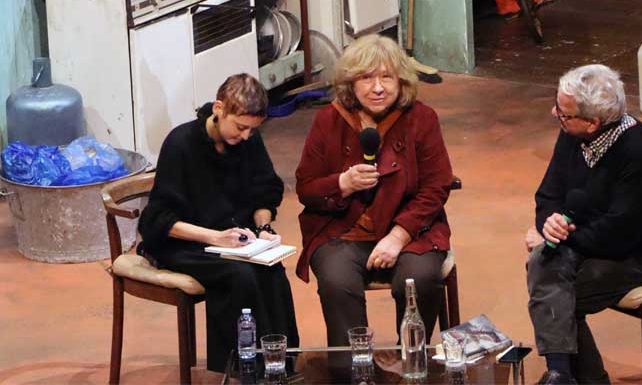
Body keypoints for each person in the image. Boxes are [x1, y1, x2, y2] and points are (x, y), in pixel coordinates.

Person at [525, 65, 642, 385]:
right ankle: (562, 375)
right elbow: (548, 194)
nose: (555, 113)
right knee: (542, 263)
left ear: (593, 123)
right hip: (591, 236)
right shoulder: (571, 135)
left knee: (561, 292)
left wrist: (564, 235)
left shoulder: (640, 152)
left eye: (563, 113)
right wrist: (550, 225)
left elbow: (620, 235)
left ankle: (579, 378)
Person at [295, 34, 454, 347]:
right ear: (350, 83)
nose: (378, 88)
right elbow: (306, 188)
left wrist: (397, 237)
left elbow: (436, 186)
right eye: (366, 78)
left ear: (402, 81)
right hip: (343, 230)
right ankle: (353, 370)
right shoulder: (328, 120)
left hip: (410, 231)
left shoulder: (422, 118)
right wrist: (343, 183)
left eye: (386, 77)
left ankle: (411, 359)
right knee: (337, 281)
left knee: (417, 279)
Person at [137, 73, 299, 372]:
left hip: (233, 239)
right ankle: (240, 368)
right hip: (184, 242)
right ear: (219, 108)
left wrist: (263, 229)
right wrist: (214, 237)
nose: (246, 136)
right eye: (240, 128)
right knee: (238, 276)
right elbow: (158, 220)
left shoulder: (248, 140)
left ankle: (280, 366)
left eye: (253, 129)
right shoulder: (181, 142)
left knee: (272, 270)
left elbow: (265, 191)